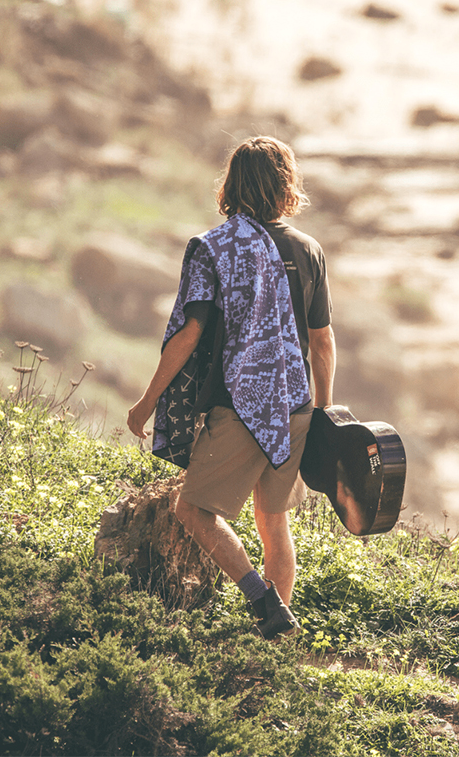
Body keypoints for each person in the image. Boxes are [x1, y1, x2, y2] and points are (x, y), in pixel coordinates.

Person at [127, 136, 336, 640]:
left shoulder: (215, 248)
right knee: (274, 523)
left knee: (192, 508)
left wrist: (147, 401)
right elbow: (322, 342)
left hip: (242, 407)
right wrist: (323, 413)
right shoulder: (308, 250)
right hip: (296, 406)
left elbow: (188, 334)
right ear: (286, 186)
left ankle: (264, 603)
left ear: (231, 186)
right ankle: (277, 634)